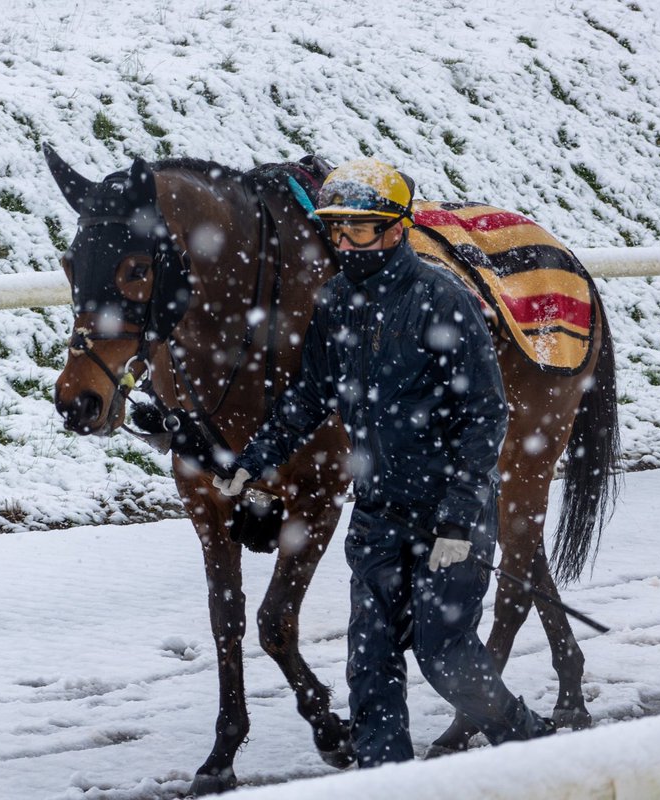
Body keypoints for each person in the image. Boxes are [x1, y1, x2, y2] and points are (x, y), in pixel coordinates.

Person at [213, 158, 554, 767]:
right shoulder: (335, 302)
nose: (344, 243)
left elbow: (484, 419)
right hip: (377, 515)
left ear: (395, 228)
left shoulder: (442, 299)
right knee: (369, 665)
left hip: (452, 517)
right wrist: (254, 461)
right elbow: (308, 397)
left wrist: (455, 521)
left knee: (445, 655)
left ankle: (530, 747)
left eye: (359, 230)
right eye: (335, 230)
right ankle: (383, 780)